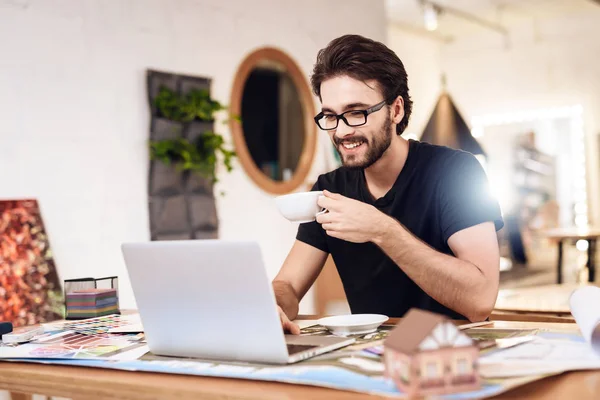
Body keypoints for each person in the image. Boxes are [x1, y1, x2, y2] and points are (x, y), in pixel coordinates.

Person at [273, 34, 504, 334]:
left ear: (396, 110)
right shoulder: (330, 189)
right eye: (331, 116)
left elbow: (480, 300)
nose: (342, 131)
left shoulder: (456, 172)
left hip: (453, 355)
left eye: (356, 113)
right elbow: (288, 285)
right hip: (371, 357)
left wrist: (382, 230)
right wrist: (273, 304)